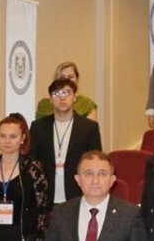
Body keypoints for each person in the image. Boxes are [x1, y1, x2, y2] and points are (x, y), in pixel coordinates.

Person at [32, 78, 104, 206]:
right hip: (46, 196)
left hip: (77, 194)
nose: (62, 98)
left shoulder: (89, 127)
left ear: (74, 97)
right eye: (57, 93)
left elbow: (95, 162)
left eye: (66, 92)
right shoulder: (38, 127)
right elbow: (33, 162)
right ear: (50, 99)